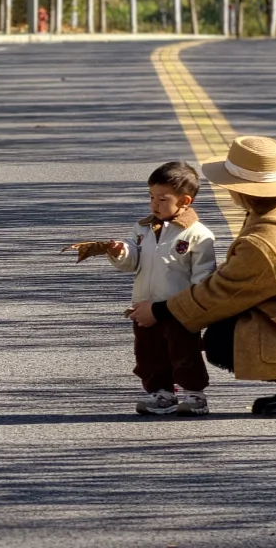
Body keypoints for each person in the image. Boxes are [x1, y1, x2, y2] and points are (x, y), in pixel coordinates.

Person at [128, 135, 276, 420]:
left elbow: (221, 293)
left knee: (221, 339)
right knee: (226, 322)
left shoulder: (265, 240)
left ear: (241, 190)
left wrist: (160, 310)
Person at [64, 160, 217, 418]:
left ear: (185, 201)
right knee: (149, 353)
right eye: (151, 197)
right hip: (144, 306)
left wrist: (194, 306)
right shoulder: (143, 228)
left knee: (184, 352)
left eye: (162, 199)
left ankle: (194, 394)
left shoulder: (198, 235)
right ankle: (161, 393)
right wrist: (121, 251)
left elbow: (203, 275)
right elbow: (132, 261)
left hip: (178, 309)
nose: (154, 204)